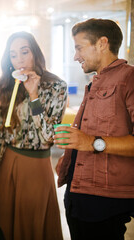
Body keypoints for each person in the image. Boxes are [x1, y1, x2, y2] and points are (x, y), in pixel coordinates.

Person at [55, 18, 134, 240]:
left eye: (79, 48)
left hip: (104, 199)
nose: (75, 56)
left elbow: (91, 140)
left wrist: (89, 142)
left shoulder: (129, 78)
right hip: (80, 190)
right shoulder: (95, 82)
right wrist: (68, 159)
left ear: (102, 43)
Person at [0, 31, 67, 240]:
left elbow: (48, 137)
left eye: (25, 52)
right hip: (7, 162)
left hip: (36, 166)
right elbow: (1, 131)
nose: (19, 59)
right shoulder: (8, 84)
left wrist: (34, 96)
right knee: (5, 223)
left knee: (33, 225)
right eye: (13, 55)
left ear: (35, 53)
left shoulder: (56, 86)